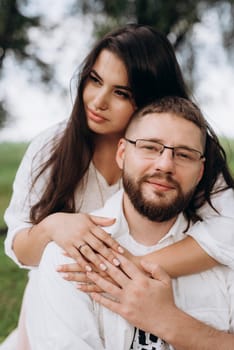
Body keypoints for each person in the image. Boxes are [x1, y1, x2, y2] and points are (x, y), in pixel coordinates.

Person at [2, 24, 234, 348]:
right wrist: (52, 227)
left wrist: (127, 269)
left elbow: (228, 234)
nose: (98, 101)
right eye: (94, 80)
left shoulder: (183, 158)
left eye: (121, 93)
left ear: (153, 97)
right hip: (60, 300)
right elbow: (20, 248)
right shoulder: (51, 147)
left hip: (142, 300)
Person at [24, 97, 234, 349]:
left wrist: (170, 322)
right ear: (122, 153)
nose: (165, 164)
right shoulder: (67, 258)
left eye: (184, 155)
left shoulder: (224, 257)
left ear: (200, 172)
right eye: (150, 147)